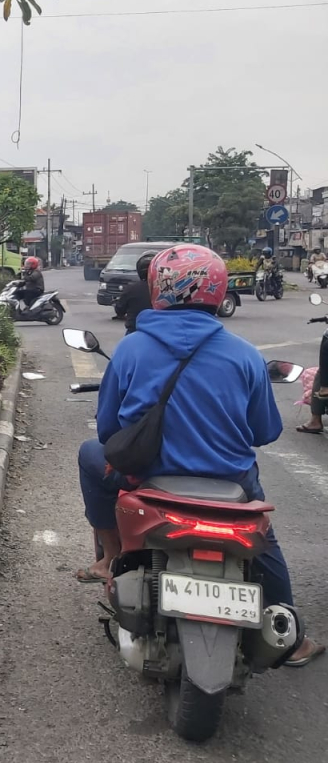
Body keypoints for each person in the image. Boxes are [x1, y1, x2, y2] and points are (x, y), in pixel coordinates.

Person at [75, 244, 322, 666]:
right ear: (217, 288)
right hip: (232, 484)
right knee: (265, 540)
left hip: (148, 480)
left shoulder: (133, 349)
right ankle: (291, 638)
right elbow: (266, 431)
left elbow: (108, 430)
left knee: (89, 455)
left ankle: (109, 559)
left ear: (158, 287)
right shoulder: (245, 354)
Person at [113, 251, 154, 334]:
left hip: (135, 332)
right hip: (159, 333)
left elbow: (120, 310)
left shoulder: (131, 289)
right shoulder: (165, 288)